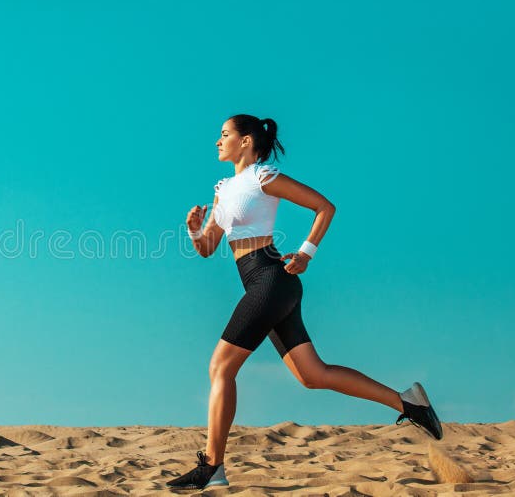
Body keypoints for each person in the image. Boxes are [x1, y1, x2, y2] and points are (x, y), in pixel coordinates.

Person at [166, 114, 443, 491]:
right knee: (313, 375)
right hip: (263, 283)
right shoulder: (223, 188)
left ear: (246, 141)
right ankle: (409, 404)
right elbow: (208, 247)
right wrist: (195, 229)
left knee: (220, 367)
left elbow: (324, 207)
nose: (218, 141)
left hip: (272, 278)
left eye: (225, 134)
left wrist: (307, 253)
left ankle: (213, 465)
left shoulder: (263, 177)